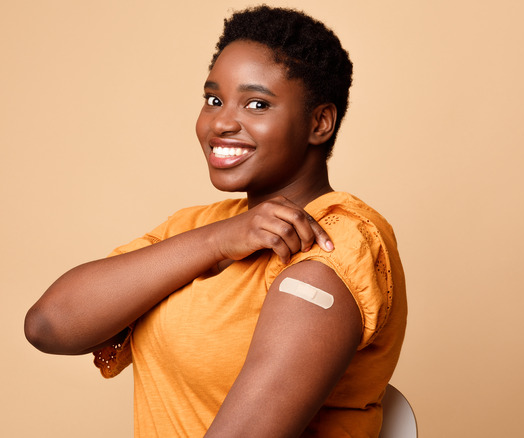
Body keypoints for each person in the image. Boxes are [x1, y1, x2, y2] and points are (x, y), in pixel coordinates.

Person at [25, 5, 406, 437]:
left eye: (257, 103)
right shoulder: (199, 228)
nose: (221, 122)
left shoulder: (336, 241)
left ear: (319, 122)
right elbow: (48, 325)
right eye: (213, 100)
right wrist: (217, 241)